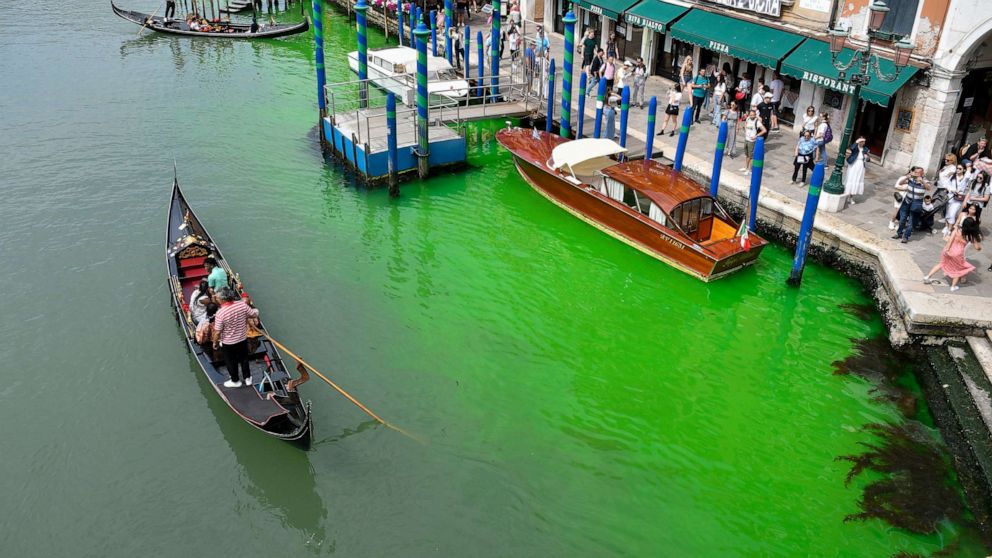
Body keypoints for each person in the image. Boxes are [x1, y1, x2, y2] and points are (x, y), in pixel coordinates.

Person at [213, 287, 259, 388]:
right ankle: (247, 378)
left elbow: (217, 332)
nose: (216, 299)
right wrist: (256, 311)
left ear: (223, 299)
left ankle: (235, 381)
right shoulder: (242, 305)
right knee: (244, 359)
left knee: (231, 361)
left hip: (228, 343)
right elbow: (253, 314)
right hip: (242, 339)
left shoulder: (220, 313)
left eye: (217, 298)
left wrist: (215, 343)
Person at [923, 216, 983, 292]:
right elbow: (977, 248)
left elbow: (950, 241)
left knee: (941, 264)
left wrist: (947, 250)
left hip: (948, 249)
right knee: (957, 270)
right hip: (958, 253)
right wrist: (979, 246)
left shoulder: (957, 230)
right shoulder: (971, 236)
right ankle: (953, 287)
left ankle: (927, 276)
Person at [892, 166, 930, 243]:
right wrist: (906, 177)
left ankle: (906, 237)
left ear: (922, 173)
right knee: (902, 219)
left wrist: (922, 181)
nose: (915, 173)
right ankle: (899, 233)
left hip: (916, 203)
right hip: (907, 201)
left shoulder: (925, 180)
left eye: (917, 172)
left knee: (911, 221)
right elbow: (900, 183)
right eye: (915, 172)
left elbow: (928, 188)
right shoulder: (911, 178)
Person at [942, 164, 971, 235]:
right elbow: (947, 185)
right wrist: (952, 190)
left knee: (952, 213)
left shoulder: (965, 177)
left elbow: (968, 173)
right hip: (951, 197)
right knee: (948, 213)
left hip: (959, 199)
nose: (958, 170)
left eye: (960, 169)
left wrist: (968, 167)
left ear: (964, 170)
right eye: (957, 168)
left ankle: (949, 229)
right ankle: (946, 227)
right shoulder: (953, 176)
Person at [740, 110, 766, 176]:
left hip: (752, 141)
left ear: (755, 115)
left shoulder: (757, 122)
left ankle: (750, 170)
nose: (752, 116)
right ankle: (746, 168)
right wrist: (745, 130)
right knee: (746, 155)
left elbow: (764, 130)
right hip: (746, 139)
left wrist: (756, 136)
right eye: (751, 115)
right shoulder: (748, 118)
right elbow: (745, 124)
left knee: (751, 156)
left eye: (753, 115)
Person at [844, 136, 869, 202]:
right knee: (851, 179)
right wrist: (856, 142)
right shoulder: (855, 147)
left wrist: (867, 158)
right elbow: (852, 148)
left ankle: (851, 197)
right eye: (862, 141)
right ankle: (846, 195)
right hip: (853, 164)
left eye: (864, 142)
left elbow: (868, 159)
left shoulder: (865, 149)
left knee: (857, 180)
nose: (863, 143)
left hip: (860, 165)